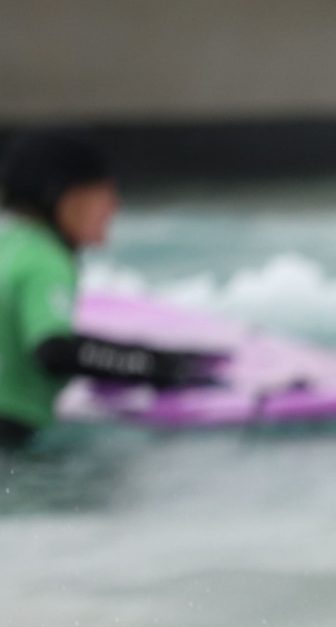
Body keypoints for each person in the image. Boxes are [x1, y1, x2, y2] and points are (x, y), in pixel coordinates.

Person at [0, 129, 223, 451]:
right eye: (103, 193)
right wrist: (157, 369)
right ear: (65, 198)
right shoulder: (45, 260)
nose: (114, 207)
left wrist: (153, 357)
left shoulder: (10, 244)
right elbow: (54, 352)